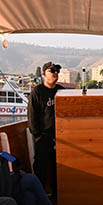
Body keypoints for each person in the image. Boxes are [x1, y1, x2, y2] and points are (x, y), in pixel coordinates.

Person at [27, 61, 64, 197]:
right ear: (44, 74)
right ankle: (39, 197)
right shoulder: (36, 92)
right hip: (43, 137)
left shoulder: (61, 91)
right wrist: (37, 135)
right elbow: (32, 116)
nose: (55, 73)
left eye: (57, 71)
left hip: (60, 138)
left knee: (58, 169)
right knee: (40, 169)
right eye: (52, 70)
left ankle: (57, 197)